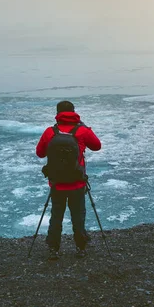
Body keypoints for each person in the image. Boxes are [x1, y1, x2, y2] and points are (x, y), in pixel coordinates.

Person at [36, 100, 101, 259]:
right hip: (77, 182)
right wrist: (85, 128)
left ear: (58, 113)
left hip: (57, 183)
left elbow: (40, 153)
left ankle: (53, 248)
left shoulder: (50, 132)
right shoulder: (82, 131)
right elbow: (97, 146)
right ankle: (81, 247)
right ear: (74, 112)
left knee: (56, 215)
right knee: (78, 215)